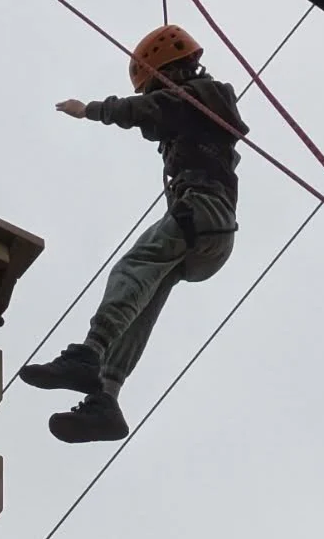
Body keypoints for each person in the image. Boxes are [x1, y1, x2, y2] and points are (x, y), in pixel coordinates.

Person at [21, 23, 249, 443]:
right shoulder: (199, 106)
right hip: (211, 233)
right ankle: (106, 398)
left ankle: (88, 354)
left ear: (171, 72)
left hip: (202, 213)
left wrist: (91, 109)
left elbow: (148, 109)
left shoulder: (205, 95)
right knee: (146, 297)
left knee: (133, 268)